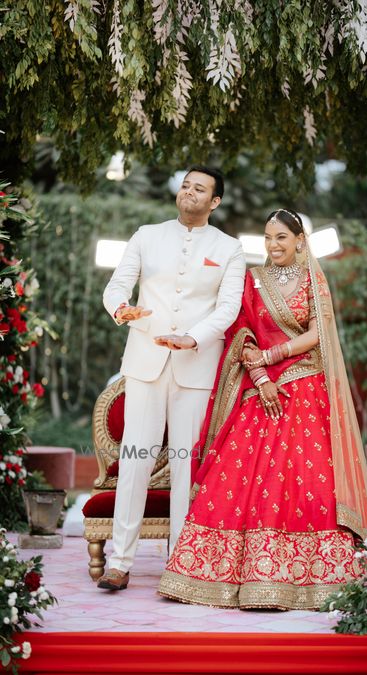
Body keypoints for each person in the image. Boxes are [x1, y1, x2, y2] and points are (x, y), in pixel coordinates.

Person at [158, 208, 367, 610]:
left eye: (281, 237)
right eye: (268, 237)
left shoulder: (313, 279)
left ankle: (305, 576)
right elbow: (240, 332)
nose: (273, 245)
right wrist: (260, 376)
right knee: (233, 478)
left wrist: (272, 355)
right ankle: (220, 575)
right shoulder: (253, 279)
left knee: (309, 482)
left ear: (299, 241)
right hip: (259, 386)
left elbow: (317, 333)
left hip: (304, 386)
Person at [97, 166, 246, 591]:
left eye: (199, 189)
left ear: (214, 201)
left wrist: (193, 337)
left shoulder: (229, 248)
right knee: (135, 461)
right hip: (145, 360)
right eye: (185, 185)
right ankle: (119, 562)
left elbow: (228, 308)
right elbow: (116, 286)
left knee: (186, 464)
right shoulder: (147, 235)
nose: (189, 192)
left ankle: (180, 563)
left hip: (195, 366)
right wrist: (121, 309)